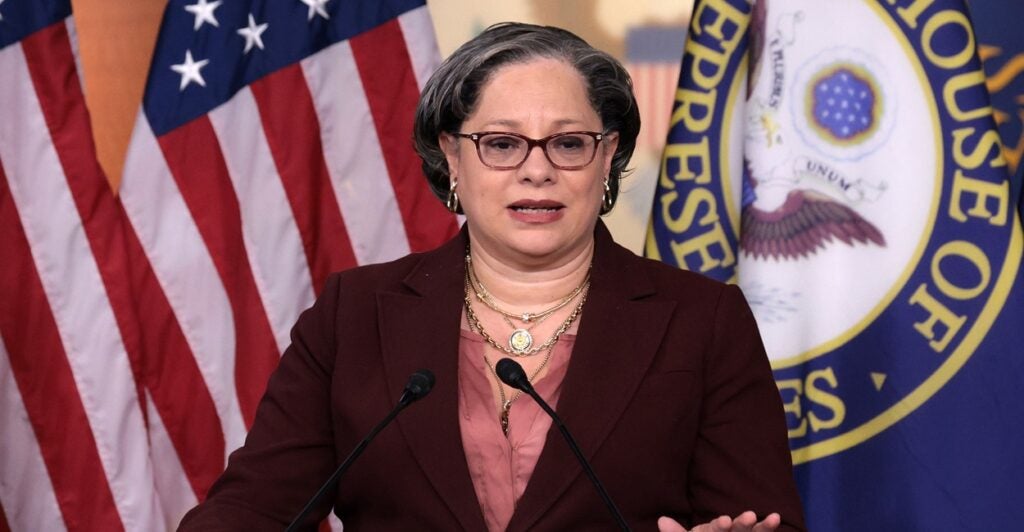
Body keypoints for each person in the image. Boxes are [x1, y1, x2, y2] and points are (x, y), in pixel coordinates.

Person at [179, 22, 805, 531]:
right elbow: (255, 509)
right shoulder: (355, 315)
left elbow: (759, 518)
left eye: (569, 143)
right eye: (502, 144)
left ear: (608, 157)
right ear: (451, 157)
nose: (537, 171)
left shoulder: (702, 320)